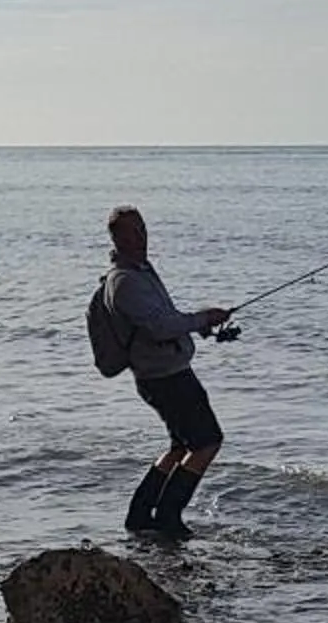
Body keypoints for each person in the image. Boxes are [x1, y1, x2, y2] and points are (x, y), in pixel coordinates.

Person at [98, 205, 231, 534]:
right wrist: (201, 319)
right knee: (207, 442)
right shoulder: (125, 281)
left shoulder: (141, 271)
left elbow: (163, 321)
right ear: (117, 238)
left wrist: (199, 326)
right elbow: (158, 328)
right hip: (166, 377)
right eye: (132, 232)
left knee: (181, 446)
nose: (141, 236)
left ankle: (141, 513)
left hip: (165, 372)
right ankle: (168, 517)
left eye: (142, 228)